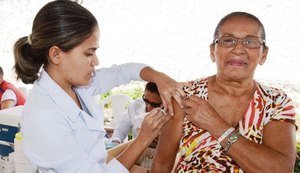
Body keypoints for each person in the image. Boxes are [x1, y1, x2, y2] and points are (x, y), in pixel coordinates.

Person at [13, 1, 186, 172]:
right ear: (56, 54)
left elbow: (123, 72)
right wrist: (143, 138)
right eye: (88, 53)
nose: (96, 61)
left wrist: (159, 77)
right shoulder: (43, 117)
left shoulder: (78, 84)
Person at [151, 12, 297, 173]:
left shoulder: (276, 102)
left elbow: (281, 170)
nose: (239, 49)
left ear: (263, 54)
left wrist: (217, 125)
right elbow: (162, 164)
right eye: (228, 40)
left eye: (250, 41)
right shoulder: (185, 96)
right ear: (213, 51)